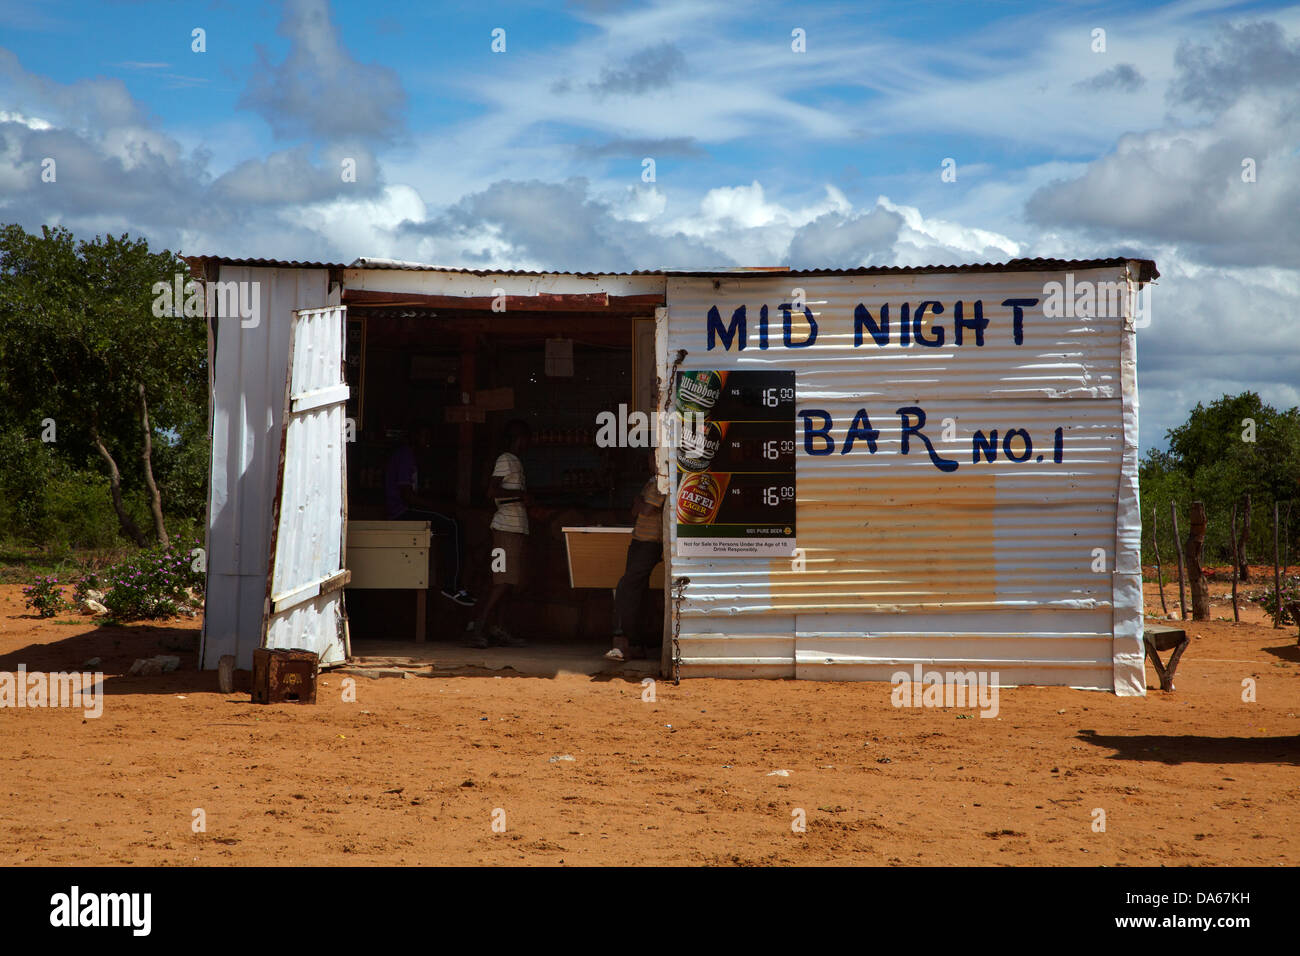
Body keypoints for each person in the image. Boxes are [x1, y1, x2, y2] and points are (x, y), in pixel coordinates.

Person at [385, 420, 476, 606]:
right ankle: (451, 585)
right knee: (453, 524)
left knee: (450, 525)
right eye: (424, 436)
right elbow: (408, 496)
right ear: (414, 436)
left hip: (404, 510)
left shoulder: (410, 456)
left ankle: (451, 582)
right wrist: (437, 507)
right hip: (401, 512)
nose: (427, 441)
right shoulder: (405, 455)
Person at [464, 419, 532, 648]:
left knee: (508, 583)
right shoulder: (506, 460)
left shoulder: (514, 461)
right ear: (518, 439)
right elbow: (491, 491)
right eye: (524, 439)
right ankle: (478, 628)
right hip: (505, 530)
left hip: (514, 529)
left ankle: (498, 629)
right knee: (500, 582)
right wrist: (521, 495)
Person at [606, 450, 665, 661]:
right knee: (637, 591)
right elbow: (635, 509)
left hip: (650, 543)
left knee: (627, 587)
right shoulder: (652, 482)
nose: (651, 462)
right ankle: (636, 645)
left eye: (654, 458)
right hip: (640, 540)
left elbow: (646, 509)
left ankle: (621, 642)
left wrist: (640, 501)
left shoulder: (661, 482)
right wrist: (640, 503)